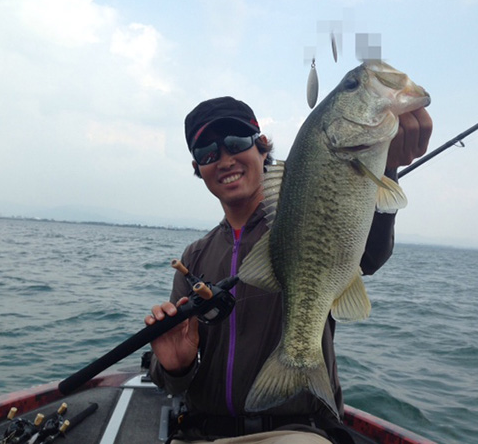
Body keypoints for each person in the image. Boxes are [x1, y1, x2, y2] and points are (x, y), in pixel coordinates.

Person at [145, 96, 432, 443]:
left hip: (296, 431)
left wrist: (386, 167)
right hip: (200, 433)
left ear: (262, 147)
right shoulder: (194, 256)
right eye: (207, 152)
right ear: (198, 167)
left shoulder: (308, 219)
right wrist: (177, 366)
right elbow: (173, 384)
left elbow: (370, 255)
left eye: (236, 142)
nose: (225, 159)